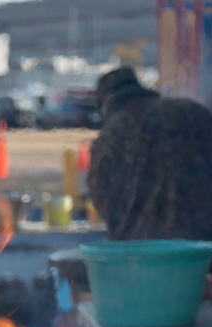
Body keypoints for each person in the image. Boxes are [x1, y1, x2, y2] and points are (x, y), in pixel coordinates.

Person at [88, 67, 212, 241]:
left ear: (106, 100)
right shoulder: (193, 113)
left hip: (144, 254)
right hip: (202, 247)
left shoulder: (111, 136)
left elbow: (102, 199)